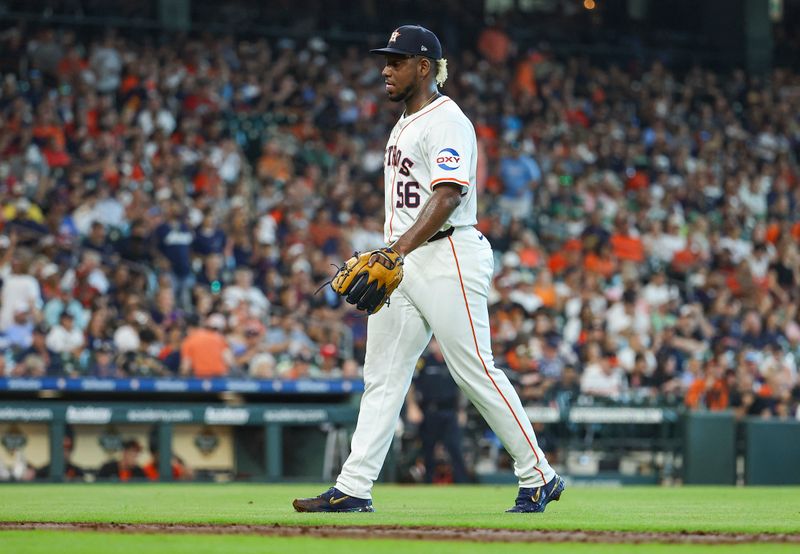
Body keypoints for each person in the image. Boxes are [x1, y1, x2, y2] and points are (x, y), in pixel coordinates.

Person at [293, 25, 563, 514]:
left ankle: (539, 474)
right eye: (386, 61)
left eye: (396, 61)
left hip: (447, 253)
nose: (385, 69)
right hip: (405, 259)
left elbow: (448, 193)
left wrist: (394, 252)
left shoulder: (447, 120)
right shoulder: (404, 123)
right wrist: (395, 253)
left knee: (473, 368)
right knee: (383, 376)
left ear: (424, 67)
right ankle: (354, 487)